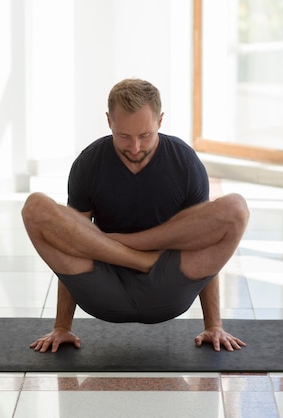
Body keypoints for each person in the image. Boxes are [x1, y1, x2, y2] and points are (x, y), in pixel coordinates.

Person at [22, 78, 249, 353]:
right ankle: (137, 257)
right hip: (103, 285)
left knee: (235, 208)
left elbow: (204, 241)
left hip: (169, 283)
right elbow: (69, 240)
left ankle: (137, 248)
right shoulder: (89, 163)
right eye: (124, 137)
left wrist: (213, 324)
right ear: (109, 122)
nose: (135, 148)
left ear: (160, 121)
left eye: (145, 136)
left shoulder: (184, 162)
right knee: (35, 207)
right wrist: (62, 326)